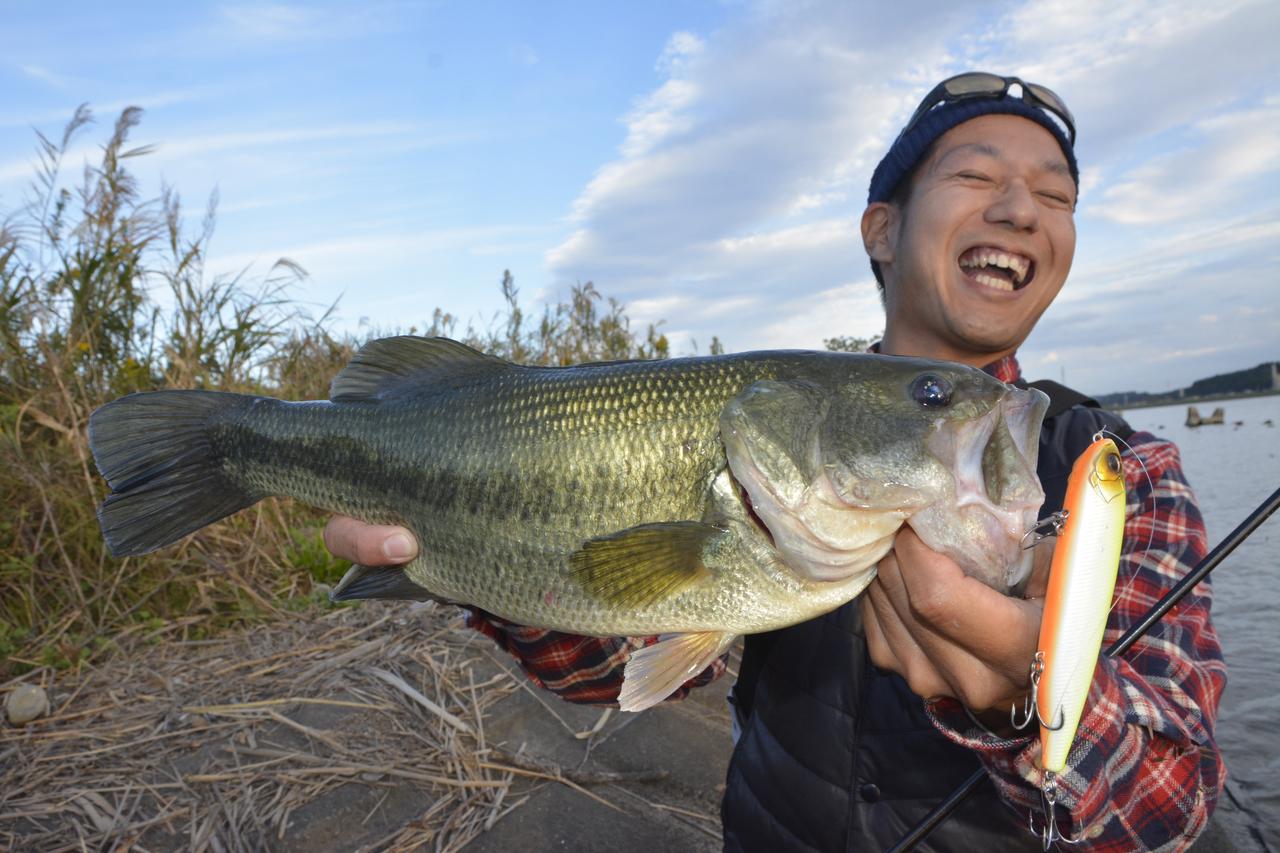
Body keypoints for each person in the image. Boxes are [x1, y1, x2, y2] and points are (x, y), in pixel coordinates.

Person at [323, 73, 1226, 850]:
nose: (1022, 209)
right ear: (882, 228)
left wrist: (1036, 706)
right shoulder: (781, 435)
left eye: (1057, 196)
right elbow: (603, 674)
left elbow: (1175, 810)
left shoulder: (1124, 474)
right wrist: (483, 561)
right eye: (975, 175)